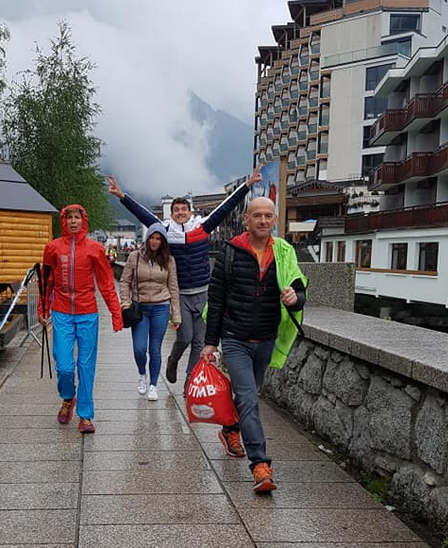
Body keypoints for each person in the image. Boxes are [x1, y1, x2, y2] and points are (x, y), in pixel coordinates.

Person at [106, 165, 262, 394]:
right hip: (180, 295)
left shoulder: (202, 227)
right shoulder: (166, 231)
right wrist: (122, 196)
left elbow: (225, 207)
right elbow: (142, 214)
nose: (180, 212)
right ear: (171, 214)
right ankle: (173, 359)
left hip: (203, 293)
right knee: (185, 337)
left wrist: (247, 185)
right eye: (176, 210)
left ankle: (190, 381)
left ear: (190, 212)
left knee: (200, 342)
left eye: (183, 209)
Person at [201, 197, 307, 493]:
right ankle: (260, 465)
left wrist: (295, 299)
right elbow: (217, 298)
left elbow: (300, 290)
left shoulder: (285, 253)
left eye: (268, 216)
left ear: (275, 220)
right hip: (235, 339)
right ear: (246, 219)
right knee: (248, 397)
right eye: (256, 215)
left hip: (267, 338)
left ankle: (231, 429)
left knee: (249, 396)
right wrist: (211, 343)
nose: (262, 221)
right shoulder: (230, 251)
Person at [38, 204, 123, 434]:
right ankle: (68, 398)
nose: (73, 221)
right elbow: (46, 282)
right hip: (61, 312)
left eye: (77, 217)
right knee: (64, 365)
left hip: (87, 313)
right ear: (63, 221)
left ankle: (85, 415)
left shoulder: (95, 249)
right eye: (69, 218)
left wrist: (116, 314)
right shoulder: (53, 248)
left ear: (83, 221)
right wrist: (43, 309)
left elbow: (106, 283)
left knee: (86, 365)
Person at [120, 222, 181, 401]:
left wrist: (176, 315)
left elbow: (174, 287)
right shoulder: (134, 257)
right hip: (140, 308)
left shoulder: (169, 260)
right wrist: (125, 302)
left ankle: (153, 385)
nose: (154, 241)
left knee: (155, 349)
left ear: (163, 242)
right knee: (139, 349)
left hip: (161, 306)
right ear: (147, 239)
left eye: (158, 239)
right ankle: (142, 375)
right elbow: (124, 281)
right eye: (152, 238)